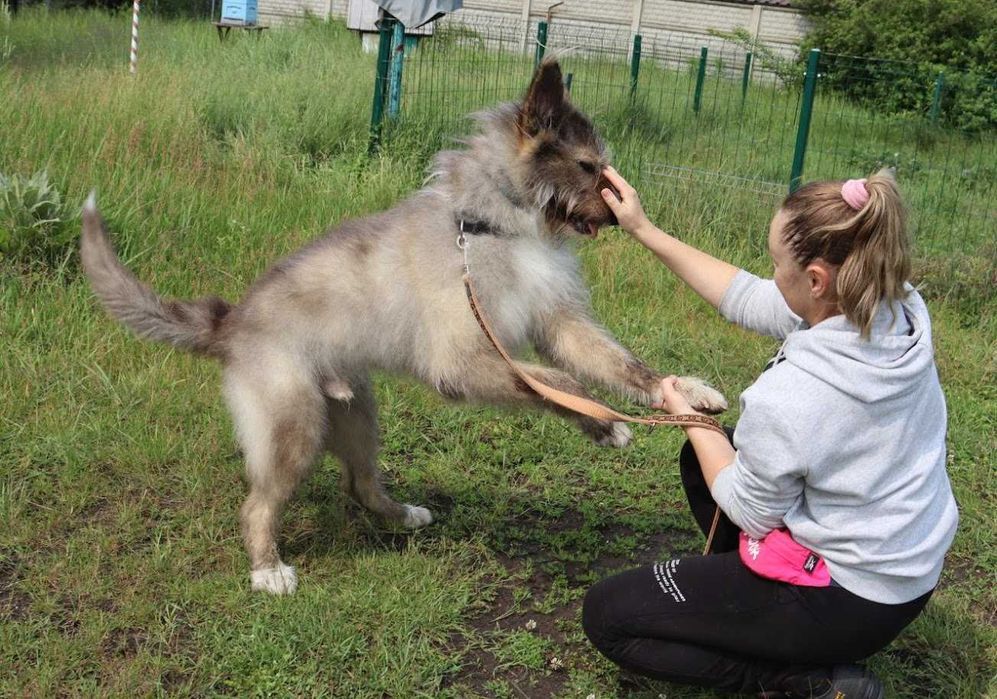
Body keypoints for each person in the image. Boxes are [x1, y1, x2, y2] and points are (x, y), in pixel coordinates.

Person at [582, 167, 959, 698]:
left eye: (777, 264)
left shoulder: (793, 397)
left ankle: (796, 678)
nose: (772, 276)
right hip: (905, 574)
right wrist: (643, 229)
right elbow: (747, 297)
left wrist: (689, 416)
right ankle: (752, 611)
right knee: (705, 459)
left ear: (816, 281)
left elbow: (750, 510)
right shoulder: (892, 307)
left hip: (847, 598)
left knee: (609, 615)